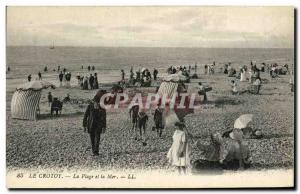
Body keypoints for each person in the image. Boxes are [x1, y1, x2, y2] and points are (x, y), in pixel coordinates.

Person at [83, 90, 107, 156]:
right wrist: (84, 125)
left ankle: (96, 151)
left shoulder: (102, 107)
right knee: (92, 138)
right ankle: (94, 150)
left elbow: (104, 118)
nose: (97, 103)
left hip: (98, 125)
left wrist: (104, 126)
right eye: (96, 102)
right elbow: (85, 116)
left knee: (97, 138)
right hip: (91, 125)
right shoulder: (90, 106)